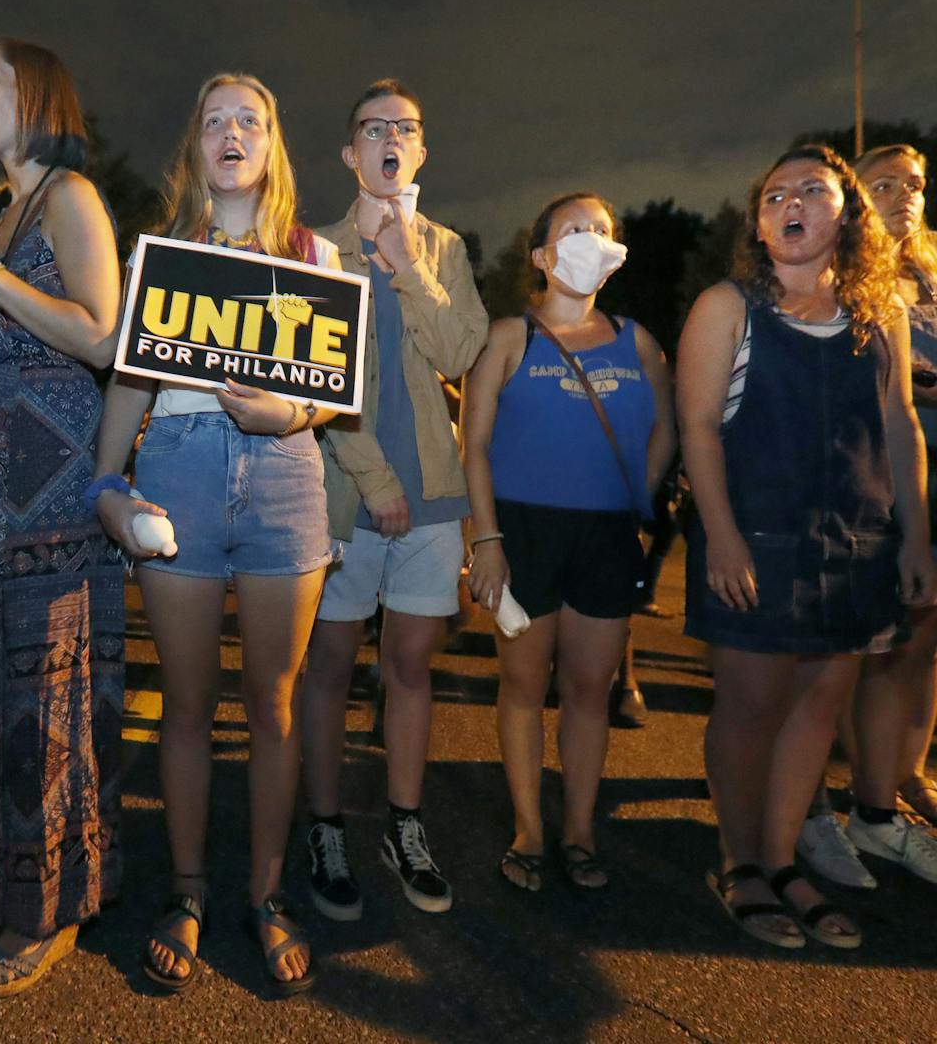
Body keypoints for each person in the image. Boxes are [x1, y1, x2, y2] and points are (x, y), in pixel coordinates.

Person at [93, 72, 340, 996]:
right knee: (188, 704)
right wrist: (106, 482)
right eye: (214, 121)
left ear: (273, 146)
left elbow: (329, 386)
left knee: (272, 706)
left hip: (283, 481)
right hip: (182, 474)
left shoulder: (315, 254)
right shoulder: (157, 255)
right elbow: (127, 378)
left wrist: (292, 418)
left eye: (251, 121)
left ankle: (268, 895)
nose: (232, 133)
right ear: (194, 147)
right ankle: (190, 891)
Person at [678, 144, 932, 950]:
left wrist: (915, 536)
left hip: (859, 539)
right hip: (758, 537)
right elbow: (697, 430)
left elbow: (900, 423)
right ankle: (739, 860)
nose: (790, 204)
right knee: (752, 706)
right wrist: (720, 536)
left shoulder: (879, 311)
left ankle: (784, 861)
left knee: (820, 707)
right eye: (773, 196)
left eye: (811, 191)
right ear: (759, 222)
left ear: (846, 213)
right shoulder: (729, 307)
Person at [0, 36, 123, 999]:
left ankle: (47, 911)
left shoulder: (70, 198)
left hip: (52, 488)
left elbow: (99, 330)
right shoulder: (4, 215)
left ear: (39, 91)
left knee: (45, 702)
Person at [298, 79, 488, 922]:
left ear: (420, 150)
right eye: (372, 127)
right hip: (346, 498)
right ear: (350, 152)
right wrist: (374, 483)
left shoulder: (443, 247)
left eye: (404, 129)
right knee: (330, 669)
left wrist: (408, 263)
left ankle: (403, 826)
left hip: (435, 498)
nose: (388, 139)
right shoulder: (314, 246)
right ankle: (326, 826)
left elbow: (460, 350)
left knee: (410, 668)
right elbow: (319, 381)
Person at [464, 192, 674, 894]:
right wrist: (487, 539)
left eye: (602, 231)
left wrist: (636, 502)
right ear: (541, 255)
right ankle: (528, 829)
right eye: (574, 230)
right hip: (524, 531)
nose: (590, 240)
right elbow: (476, 446)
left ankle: (579, 832)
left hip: (606, 535)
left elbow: (666, 430)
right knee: (524, 687)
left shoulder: (637, 340)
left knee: (590, 690)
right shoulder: (507, 338)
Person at [796, 144, 937, 888]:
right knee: (841, 655)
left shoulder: (925, 276)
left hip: (918, 481)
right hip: (853, 489)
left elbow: (907, 405)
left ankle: (891, 792)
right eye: (883, 183)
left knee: (913, 643)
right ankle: (814, 806)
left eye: (915, 183)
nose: (905, 195)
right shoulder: (834, 280)